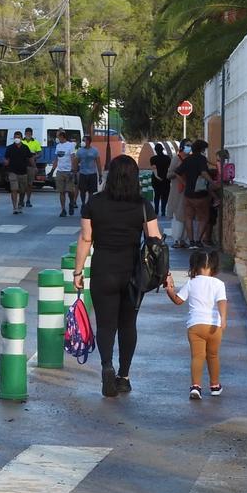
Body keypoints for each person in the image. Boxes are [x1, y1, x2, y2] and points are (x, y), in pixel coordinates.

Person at [75, 155, 162, 397]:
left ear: (110, 175)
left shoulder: (94, 203)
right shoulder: (144, 205)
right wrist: (164, 274)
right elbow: (155, 240)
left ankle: (106, 366)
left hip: (103, 268)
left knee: (105, 324)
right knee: (127, 324)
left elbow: (85, 239)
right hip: (134, 272)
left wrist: (78, 271)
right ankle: (124, 376)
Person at [165, 249, 228, 400]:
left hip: (195, 326)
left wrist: (170, 290)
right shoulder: (219, 283)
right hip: (214, 326)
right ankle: (214, 386)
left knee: (197, 356)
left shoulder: (191, 283)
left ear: (195, 266)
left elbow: (178, 301)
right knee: (213, 356)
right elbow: (222, 302)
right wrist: (223, 319)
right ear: (214, 267)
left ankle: (196, 387)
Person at [174, 139, 219, 249]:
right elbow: (203, 172)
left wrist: (184, 183)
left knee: (188, 217)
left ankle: (191, 241)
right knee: (204, 217)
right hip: (200, 194)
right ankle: (198, 240)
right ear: (202, 149)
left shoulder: (187, 159)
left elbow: (177, 172)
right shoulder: (202, 159)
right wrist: (212, 183)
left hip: (188, 193)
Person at [166, 138, 192, 248]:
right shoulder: (176, 159)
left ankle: (184, 239)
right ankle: (177, 239)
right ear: (182, 146)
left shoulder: (191, 159)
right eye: (187, 145)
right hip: (178, 191)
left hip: (188, 191)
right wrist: (177, 172)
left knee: (187, 215)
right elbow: (169, 174)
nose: (189, 147)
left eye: (190, 145)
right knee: (178, 215)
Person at [5, 130, 36, 214]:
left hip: (23, 172)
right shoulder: (10, 148)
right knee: (14, 189)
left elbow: (30, 158)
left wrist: (34, 167)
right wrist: (6, 165)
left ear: (21, 138)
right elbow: (7, 159)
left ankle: (20, 203)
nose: (17, 139)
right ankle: (14, 207)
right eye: (15, 137)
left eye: (18, 137)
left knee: (22, 190)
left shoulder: (25, 147)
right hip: (12, 171)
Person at [52, 131, 78, 217]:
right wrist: (52, 170)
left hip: (68, 171)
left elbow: (73, 158)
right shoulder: (58, 146)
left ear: (62, 137)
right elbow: (56, 159)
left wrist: (73, 170)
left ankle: (71, 202)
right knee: (61, 191)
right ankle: (63, 209)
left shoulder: (70, 145)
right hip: (60, 171)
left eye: (58, 137)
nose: (57, 138)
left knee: (70, 191)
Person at [76, 135, 101, 208]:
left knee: (91, 191)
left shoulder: (95, 151)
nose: (83, 142)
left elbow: (98, 163)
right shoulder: (79, 151)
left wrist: (100, 174)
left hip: (92, 173)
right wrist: (74, 172)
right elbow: (76, 162)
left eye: (84, 140)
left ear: (89, 141)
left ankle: (89, 204)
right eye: (83, 140)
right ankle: (83, 203)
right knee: (82, 191)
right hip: (83, 173)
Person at [150, 143, 172, 217]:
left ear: (155, 150)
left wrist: (157, 177)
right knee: (164, 196)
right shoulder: (167, 158)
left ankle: (156, 210)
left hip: (156, 180)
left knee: (157, 195)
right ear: (162, 149)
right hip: (166, 179)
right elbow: (169, 169)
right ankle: (163, 211)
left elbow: (154, 169)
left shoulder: (153, 159)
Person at [23, 128, 42, 206]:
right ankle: (21, 200)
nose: (28, 135)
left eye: (29, 133)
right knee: (22, 184)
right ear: (25, 133)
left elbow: (40, 153)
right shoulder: (21, 142)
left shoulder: (36, 142)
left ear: (31, 134)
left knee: (30, 184)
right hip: (22, 165)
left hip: (31, 165)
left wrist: (34, 157)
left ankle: (28, 200)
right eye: (26, 133)